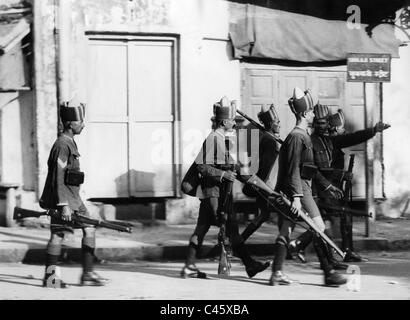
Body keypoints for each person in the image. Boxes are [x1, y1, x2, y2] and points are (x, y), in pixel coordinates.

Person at [180, 96, 270, 279]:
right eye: (232, 121)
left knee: (202, 229)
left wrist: (269, 190)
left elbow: (243, 173)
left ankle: (189, 266)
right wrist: (222, 174)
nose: (234, 124)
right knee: (231, 229)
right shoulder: (213, 138)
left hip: (215, 193)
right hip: (213, 193)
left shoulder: (225, 139)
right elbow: (201, 166)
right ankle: (249, 265)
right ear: (225, 121)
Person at [289, 106, 390, 263]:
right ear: (314, 123)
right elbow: (313, 170)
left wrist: (373, 130)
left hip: (330, 189)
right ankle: (317, 255)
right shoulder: (310, 142)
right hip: (317, 190)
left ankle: (337, 253)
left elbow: (352, 138)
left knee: (334, 219)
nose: (322, 126)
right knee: (323, 223)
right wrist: (338, 176)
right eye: (319, 123)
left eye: (324, 123)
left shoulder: (329, 141)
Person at [269, 87, 347, 287]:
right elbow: (294, 169)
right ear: (304, 113)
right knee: (319, 227)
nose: (314, 114)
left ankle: (277, 272)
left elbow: (309, 169)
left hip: (300, 189)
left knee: (286, 230)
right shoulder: (297, 136)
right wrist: (296, 196)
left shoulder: (301, 135)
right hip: (300, 191)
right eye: (311, 111)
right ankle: (328, 273)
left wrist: (325, 186)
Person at [40, 98, 108, 288]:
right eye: (80, 122)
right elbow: (58, 177)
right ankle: (55, 278)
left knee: (82, 229)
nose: (83, 125)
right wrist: (63, 205)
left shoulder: (69, 142)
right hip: (66, 201)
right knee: (60, 235)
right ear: (70, 124)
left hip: (73, 199)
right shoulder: (62, 144)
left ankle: (84, 275)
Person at [241, 104, 281, 241]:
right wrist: (264, 188)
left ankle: (241, 240)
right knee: (269, 214)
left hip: (265, 184)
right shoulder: (269, 141)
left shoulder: (270, 138)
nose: (279, 125)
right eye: (277, 122)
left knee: (265, 215)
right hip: (266, 184)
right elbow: (266, 167)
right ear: (270, 124)